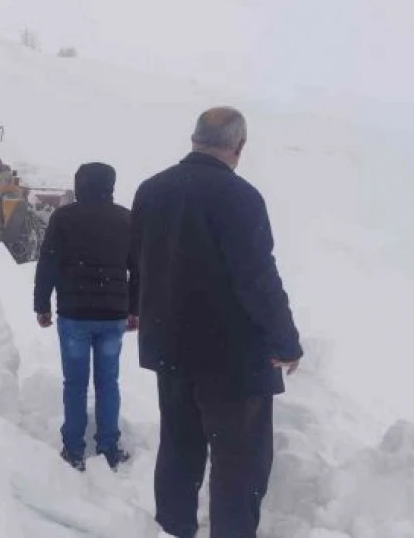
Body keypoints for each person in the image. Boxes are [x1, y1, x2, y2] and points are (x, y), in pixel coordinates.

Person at [130, 107, 303, 538]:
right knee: (239, 464)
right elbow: (257, 277)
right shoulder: (239, 197)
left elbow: (139, 262)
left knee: (179, 449)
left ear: (194, 138)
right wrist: (286, 341)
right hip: (231, 360)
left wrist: (136, 308)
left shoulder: (151, 190)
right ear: (238, 147)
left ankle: (173, 530)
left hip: (170, 348)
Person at [34, 162, 138, 472]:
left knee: (75, 383)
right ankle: (108, 446)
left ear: (79, 185)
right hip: (112, 316)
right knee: (108, 382)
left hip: (74, 315)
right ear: (111, 185)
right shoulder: (125, 219)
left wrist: (42, 305)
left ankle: (74, 449)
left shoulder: (64, 218)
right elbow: (139, 268)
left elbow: (48, 263)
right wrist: (134, 308)